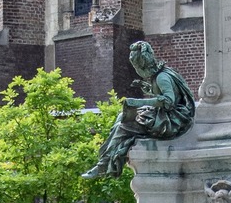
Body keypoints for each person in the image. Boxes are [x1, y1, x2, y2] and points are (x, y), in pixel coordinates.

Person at [84, 41, 196, 179]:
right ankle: (104, 160)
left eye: (135, 67)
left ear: (141, 66)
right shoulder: (160, 73)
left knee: (124, 127)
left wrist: (138, 102)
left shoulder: (162, 77)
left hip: (172, 121)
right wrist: (147, 88)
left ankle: (103, 165)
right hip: (169, 116)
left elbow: (169, 101)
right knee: (121, 117)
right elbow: (165, 94)